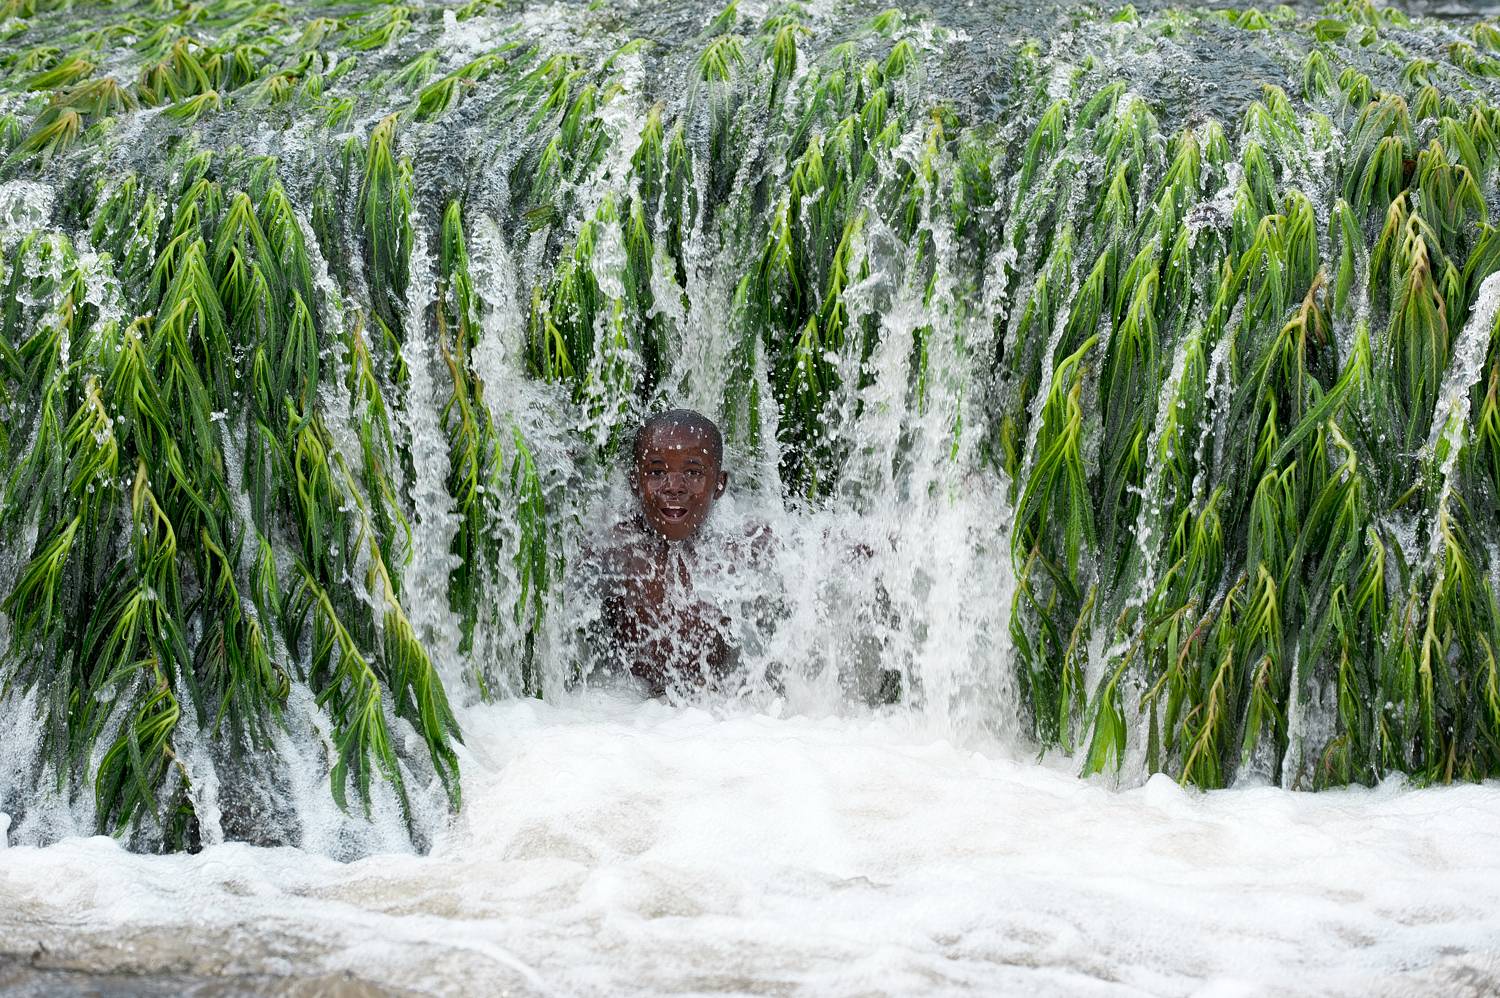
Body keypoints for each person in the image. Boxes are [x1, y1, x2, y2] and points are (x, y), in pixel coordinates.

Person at [588, 408, 770, 698]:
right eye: (657, 472)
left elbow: (808, 550)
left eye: (693, 473)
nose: (673, 487)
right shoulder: (615, 550)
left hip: (719, 718)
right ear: (635, 480)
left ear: (719, 484)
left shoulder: (739, 548)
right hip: (628, 715)